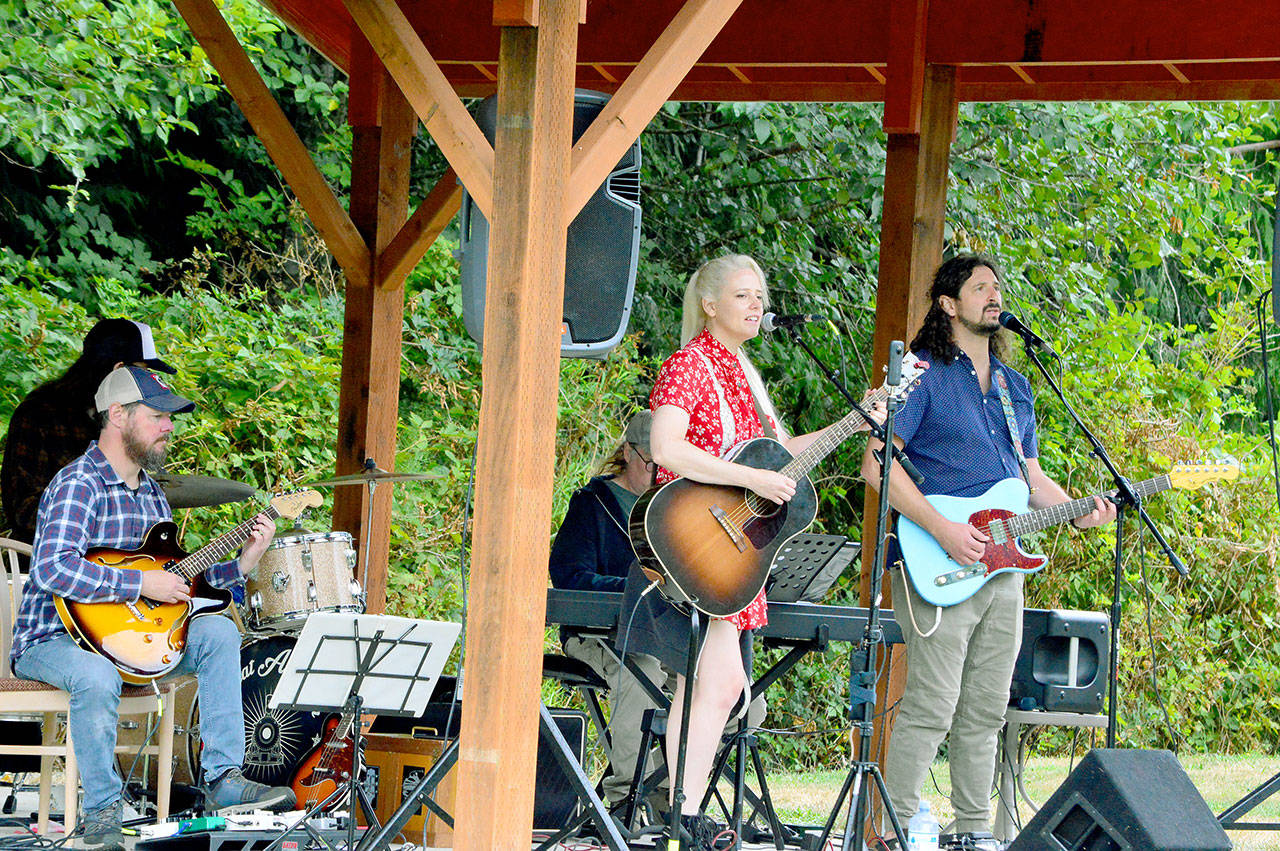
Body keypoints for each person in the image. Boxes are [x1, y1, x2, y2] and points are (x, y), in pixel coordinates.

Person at [861, 253, 1115, 847]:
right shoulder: (920, 373)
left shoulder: (1014, 386)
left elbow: (1027, 478)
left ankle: (976, 831)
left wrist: (1080, 511)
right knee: (933, 702)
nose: (994, 296)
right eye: (980, 288)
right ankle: (896, 825)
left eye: (997, 288)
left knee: (987, 708)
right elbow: (877, 465)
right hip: (936, 558)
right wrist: (943, 529)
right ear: (948, 304)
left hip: (1003, 566)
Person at [621, 254, 868, 849]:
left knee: (716, 683)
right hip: (697, 533)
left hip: (733, 547)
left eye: (760, 296)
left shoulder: (746, 376)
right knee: (720, 681)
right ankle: (678, 808)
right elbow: (665, 447)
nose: (757, 305)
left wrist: (855, 422)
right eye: (742, 296)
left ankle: (678, 809)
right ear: (709, 305)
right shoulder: (688, 364)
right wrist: (751, 482)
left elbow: (783, 454)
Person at [10, 366, 295, 850]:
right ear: (117, 415)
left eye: (171, 418)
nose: (169, 427)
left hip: (132, 639)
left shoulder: (153, 495)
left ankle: (224, 780)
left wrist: (245, 562)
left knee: (220, 635)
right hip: (51, 640)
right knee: (97, 677)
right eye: (159, 416)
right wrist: (140, 582)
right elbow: (53, 570)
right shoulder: (79, 484)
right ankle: (101, 813)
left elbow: (179, 585)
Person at [549, 410, 672, 811]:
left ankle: (667, 792)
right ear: (627, 452)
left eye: (666, 465)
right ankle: (624, 804)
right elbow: (568, 576)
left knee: (741, 699)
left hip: (664, 632)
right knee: (643, 675)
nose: (657, 473)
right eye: (650, 462)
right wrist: (632, 588)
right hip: (598, 633)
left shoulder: (674, 508)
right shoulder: (593, 505)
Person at [2, 318, 175, 547]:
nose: (148, 381)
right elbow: (23, 509)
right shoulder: (39, 415)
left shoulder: (127, 421)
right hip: (45, 559)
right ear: (119, 370)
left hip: (122, 567)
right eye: (143, 371)